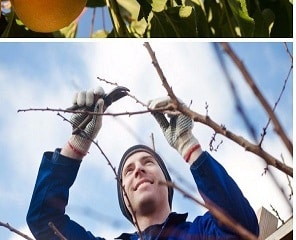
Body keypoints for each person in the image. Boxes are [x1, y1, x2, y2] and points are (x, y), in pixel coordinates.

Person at [26, 88, 260, 240]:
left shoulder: (201, 233)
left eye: (148, 162)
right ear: (123, 197)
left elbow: (242, 227)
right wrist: (76, 144)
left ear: (168, 184)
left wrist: (188, 145)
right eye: (128, 171)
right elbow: (43, 221)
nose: (138, 169)